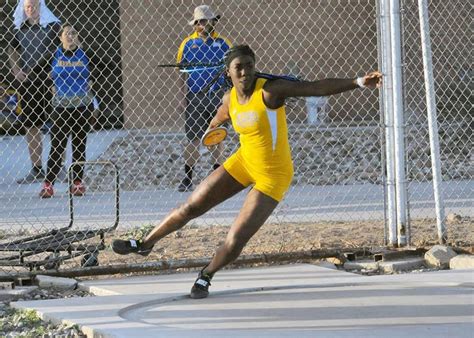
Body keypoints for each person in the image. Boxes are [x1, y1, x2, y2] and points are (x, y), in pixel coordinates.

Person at [112, 45, 382, 299]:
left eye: (249, 66)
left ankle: (206, 274)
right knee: (192, 205)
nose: (245, 72)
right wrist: (213, 130)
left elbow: (314, 88)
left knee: (237, 235)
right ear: (228, 71)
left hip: (273, 175)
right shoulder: (230, 98)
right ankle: (145, 243)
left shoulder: (270, 91)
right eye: (238, 67)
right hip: (243, 162)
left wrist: (358, 82)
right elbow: (219, 118)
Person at [38, 23, 104, 198]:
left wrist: (92, 79)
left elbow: (108, 66)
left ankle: (77, 183)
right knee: (57, 146)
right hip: (60, 107)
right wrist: (49, 83)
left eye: (74, 33)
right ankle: (48, 184)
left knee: (79, 145)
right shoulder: (54, 55)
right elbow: (35, 72)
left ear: (78, 37)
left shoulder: (85, 55)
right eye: (67, 33)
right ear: (60, 37)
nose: (70, 36)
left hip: (82, 106)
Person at [176, 5, 232, 192]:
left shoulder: (224, 43)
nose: (202, 24)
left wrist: (228, 95)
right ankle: (187, 177)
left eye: (206, 20)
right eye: (199, 21)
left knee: (216, 136)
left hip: (217, 95)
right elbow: (182, 73)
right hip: (195, 96)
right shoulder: (187, 44)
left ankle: (216, 176)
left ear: (213, 22)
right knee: (192, 138)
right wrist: (182, 97)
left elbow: (231, 70)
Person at [8, 0, 65, 184]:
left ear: (41, 5)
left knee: (56, 126)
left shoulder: (53, 27)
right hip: (27, 84)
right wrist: (16, 70)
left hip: (50, 83)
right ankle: (37, 169)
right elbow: (12, 50)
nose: (30, 9)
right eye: (27, 7)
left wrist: (56, 70)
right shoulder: (20, 28)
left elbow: (65, 47)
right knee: (31, 126)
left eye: (33, 5)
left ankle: (58, 168)